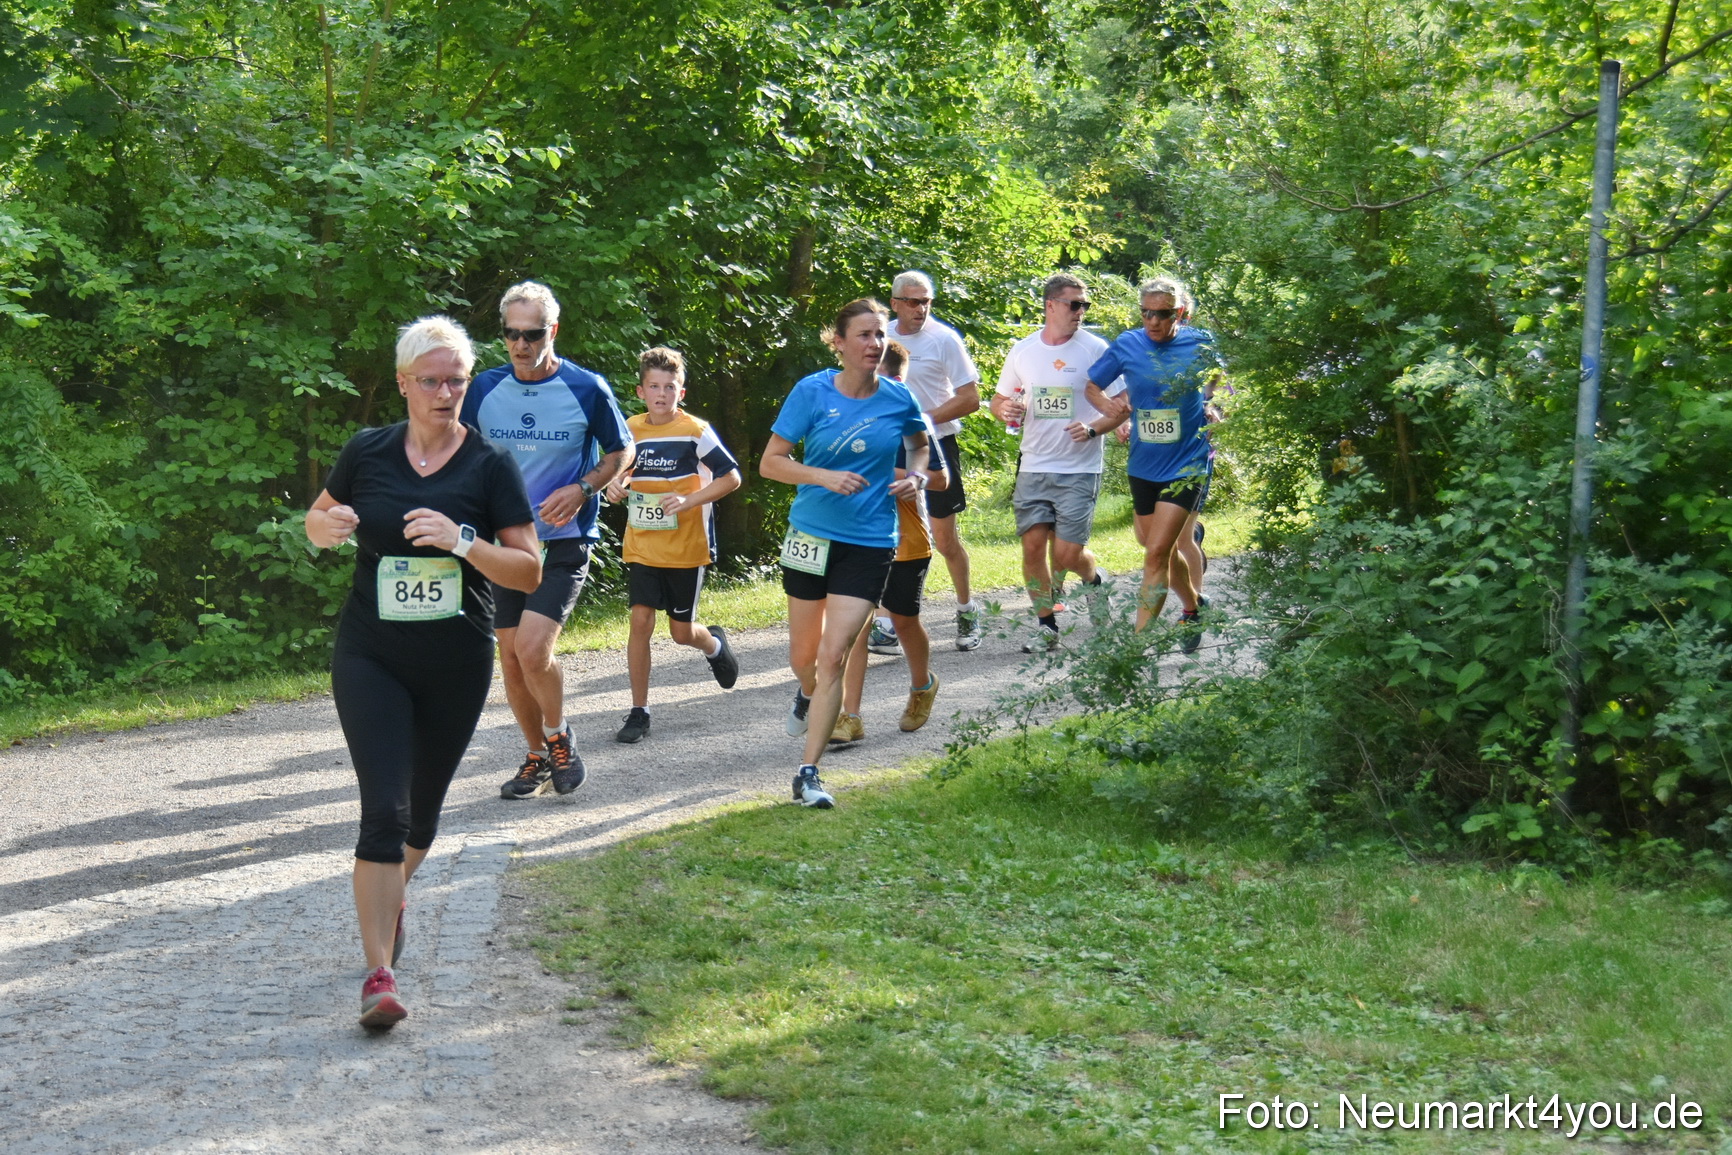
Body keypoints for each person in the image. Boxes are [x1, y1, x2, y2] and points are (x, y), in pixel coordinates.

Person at [306, 316, 542, 1029]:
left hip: (454, 663)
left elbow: (528, 567)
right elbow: (317, 519)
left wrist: (464, 540)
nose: (446, 392)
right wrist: (327, 527)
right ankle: (380, 973)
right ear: (404, 382)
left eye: (457, 380)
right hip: (370, 654)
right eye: (432, 380)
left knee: (421, 819)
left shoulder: (490, 464)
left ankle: (393, 896)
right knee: (384, 812)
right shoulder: (367, 450)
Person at [460, 281, 632, 799]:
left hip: (564, 539)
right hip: (507, 546)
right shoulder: (484, 390)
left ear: (551, 331)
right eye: (510, 334)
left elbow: (620, 452)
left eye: (531, 334)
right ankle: (536, 754)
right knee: (510, 658)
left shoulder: (586, 388)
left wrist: (582, 489)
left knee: (534, 650)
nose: (520, 346)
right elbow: (457, 453)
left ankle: (560, 738)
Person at [760, 299, 935, 808]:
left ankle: (808, 773)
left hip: (871, 541)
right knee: (804, 659)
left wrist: (917, 476)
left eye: (879, 334)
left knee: (833, 655)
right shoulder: (811, 392)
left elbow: (920, 447)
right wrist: (823, 476)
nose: (873, 344)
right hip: (811, 536)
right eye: (862, 335)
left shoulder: (899, 397)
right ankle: (806, 691)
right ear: (837, 342)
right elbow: (772, 463)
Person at [603, 347, 743, 743]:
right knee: (640, 621)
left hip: (686, 546)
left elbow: (730, 477)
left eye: (669, 387)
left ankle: (714, 645)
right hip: (644, 544)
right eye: (654, 386)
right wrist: (615, 486)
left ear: (681, 392)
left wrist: (689, 501)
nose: (661, 394)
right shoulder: (629, 429)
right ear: (641, 391)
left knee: (681, 633)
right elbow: (621, 472)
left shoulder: (695, 431)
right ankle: (639, 711)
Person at [1085, 276, 1225, 648]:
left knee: (1157, 552)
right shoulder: (1128, 344)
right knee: (1149, 542)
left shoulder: (1201, 343)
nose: (1153, 322)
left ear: (1179, 313)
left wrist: (1213, 404)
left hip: (1188, 462)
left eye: (1162, 314)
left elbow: (1220, 381)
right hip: (1144, 463)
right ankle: (1195, 607)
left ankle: (1136, 647)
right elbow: (1092, 387)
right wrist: (1111, 408)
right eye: (1146, 313)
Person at [990, 273, 1125, 652]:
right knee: (1033, 547)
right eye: (1074, 304)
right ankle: (1046, 626)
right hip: (1034, 463)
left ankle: (1095, 579)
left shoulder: (1097, 350)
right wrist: (1006, 410)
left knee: (1066, 554)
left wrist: (1096, 429)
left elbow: (1119, 406)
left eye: (1085, 305)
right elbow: (997, 401)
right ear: (1051, 306)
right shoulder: (1023, 350)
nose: (1081, 312)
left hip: (1079, 467)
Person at [831, 340, 948, 746]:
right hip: (860, 537)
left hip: (909, 541)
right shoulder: (848, 419)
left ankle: (922, 685)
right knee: (855, 629)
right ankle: (849, 716)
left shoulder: (910, 416)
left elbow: (942, 479)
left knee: (903, 620)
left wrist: (905, 475)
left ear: (896, 378)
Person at [876, 270, 984, 652]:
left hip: (937, 443)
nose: (920, 308)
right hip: (888, 447)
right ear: (895, 303)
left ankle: (967, 610)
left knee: (944, 538)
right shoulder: (879, 336)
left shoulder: (944, 339)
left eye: (926, 301)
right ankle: (888, 623)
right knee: (891, 534)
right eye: (912, 301)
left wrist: (920, 421)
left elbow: (970, 397)